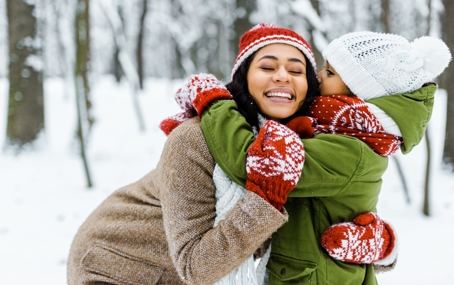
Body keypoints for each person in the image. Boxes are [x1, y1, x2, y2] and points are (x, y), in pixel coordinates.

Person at [67, 24, 360, 285]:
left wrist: (376, 249)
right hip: (119, 268)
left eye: (296, 71)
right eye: (268, 68)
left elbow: (304, 232)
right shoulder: (194, 139)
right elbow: (196, 268)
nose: (283, 76)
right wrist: (265, 198)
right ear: (244, 80)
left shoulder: (296, 144)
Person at [166, 26, 450, 284]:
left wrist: (214, 102)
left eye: (329, 73)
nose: (317, 78)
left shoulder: (351, 146)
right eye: (267, 66)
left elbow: (254, 165)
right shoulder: (330, 129)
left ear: (356, 92)